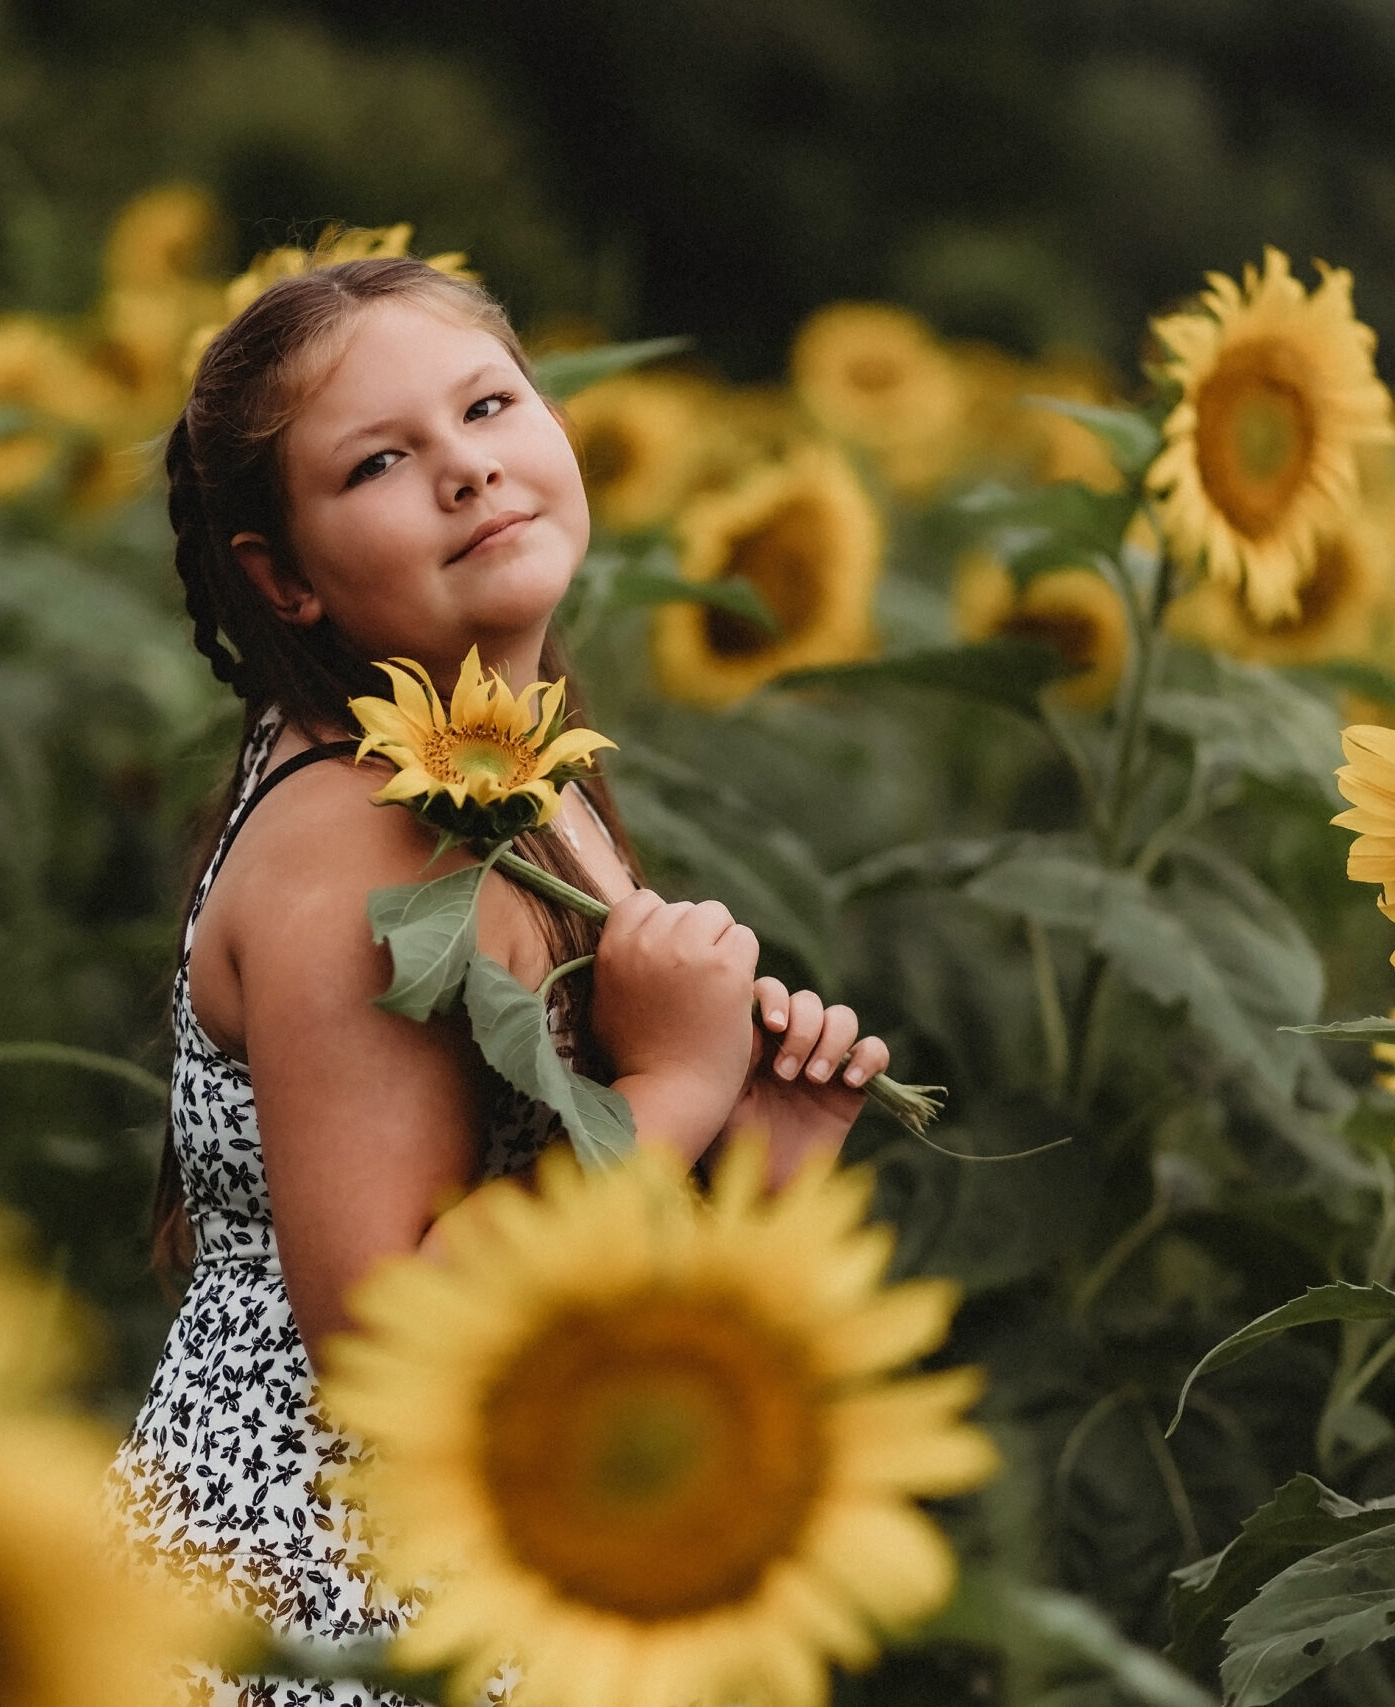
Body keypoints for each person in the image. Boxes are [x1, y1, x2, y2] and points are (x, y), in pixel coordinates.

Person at [106, 256, 890, 1703]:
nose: (466, 468)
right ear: (282, 575)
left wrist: (767, 1151)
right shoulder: (364, 835)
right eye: (383, 461)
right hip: (330, 1608)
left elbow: (596, 1266)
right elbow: (388, 1338)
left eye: (488, 405)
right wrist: (674, 1082)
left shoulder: (517, 776)